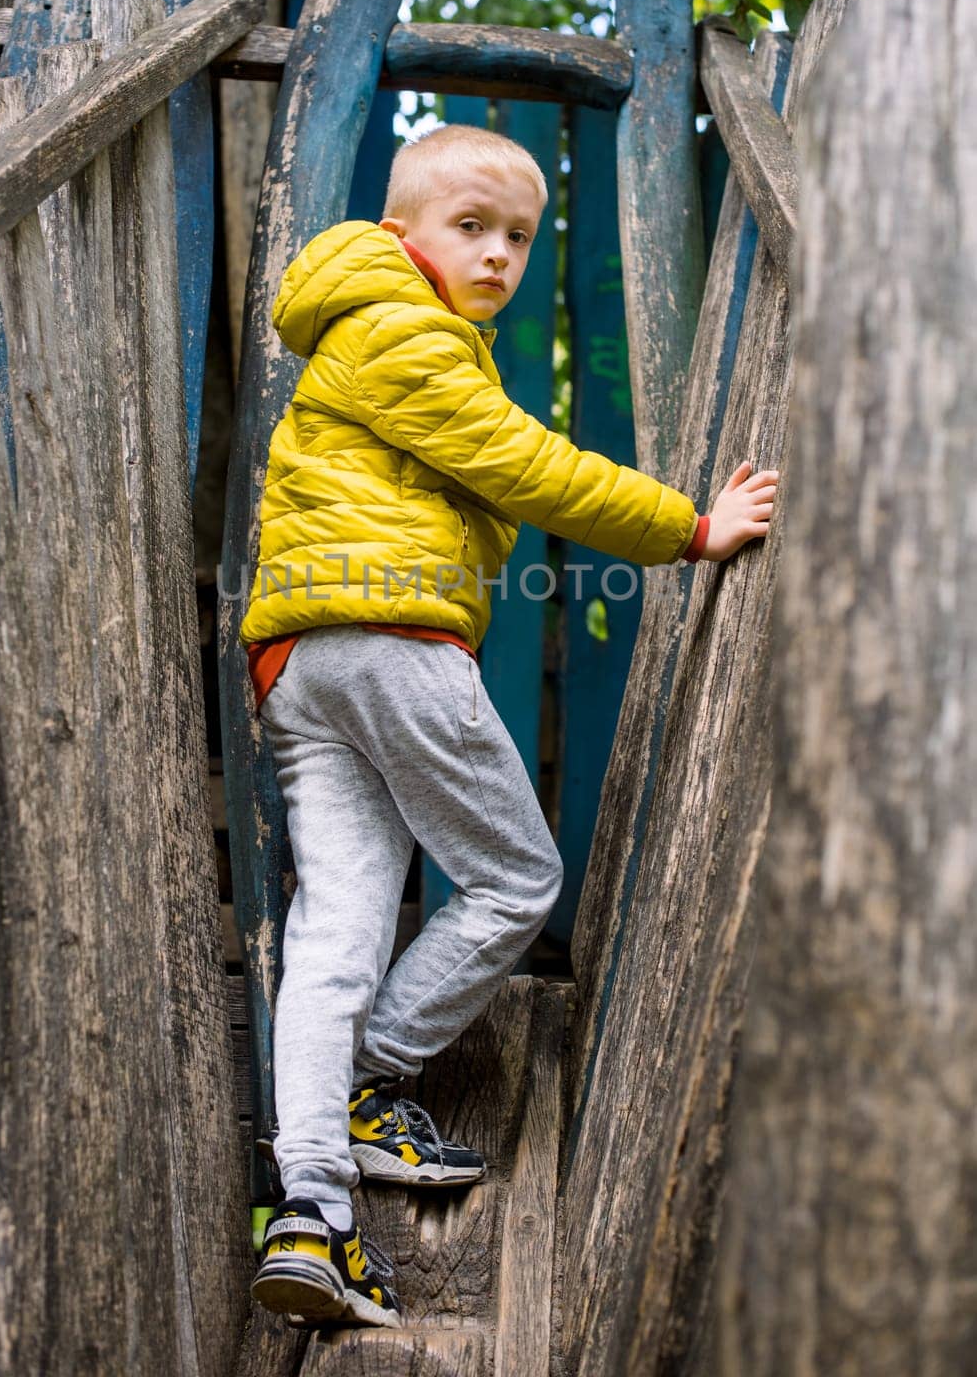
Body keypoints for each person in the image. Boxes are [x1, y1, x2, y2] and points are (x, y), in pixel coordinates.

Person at [241, 124, 778, 1327]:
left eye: (519, 237)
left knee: (340, 919)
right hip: (390, 639)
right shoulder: (403, 328)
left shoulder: (361, 322)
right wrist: (688, 528)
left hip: (303, 658)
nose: (496, 256)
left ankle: (312, 1210)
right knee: (514, 878)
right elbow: (525, 466)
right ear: (401, 232)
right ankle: (377, 1076)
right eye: (469, 226)